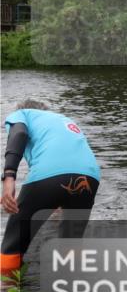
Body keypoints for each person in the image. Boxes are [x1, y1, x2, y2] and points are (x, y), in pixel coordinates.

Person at [2, 100, 101, 280]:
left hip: (51, 174)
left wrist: (9, 176)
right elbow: (66, 158)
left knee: (12, 247)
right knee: (70, 246)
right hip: (90, 175)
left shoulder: (23, 115)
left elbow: (19, 133)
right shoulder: (63, 120)